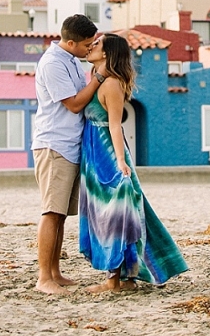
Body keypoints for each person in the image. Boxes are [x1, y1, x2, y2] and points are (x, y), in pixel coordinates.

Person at [79, 32, 188, 293]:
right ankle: (127, 277)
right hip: (94, 152)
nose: (91, 46)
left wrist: (119, 161)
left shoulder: (111, 84)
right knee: (111, 212)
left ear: (106, 53)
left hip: (106, 153)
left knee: (114, 213)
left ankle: (114, 281)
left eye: (97, 44)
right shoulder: (98, 79)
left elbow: (116, 126)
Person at [31, 13, 109, 295]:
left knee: (61, 214)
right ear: (72, 42)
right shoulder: (53, 64)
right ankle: (43, 277)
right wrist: (99, 77)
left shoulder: (71, 62)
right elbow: (74, 104)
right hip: (54, 145)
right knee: (51, 212)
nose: (90, 48)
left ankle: (54, 271)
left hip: (70, 146)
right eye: (87, 44)